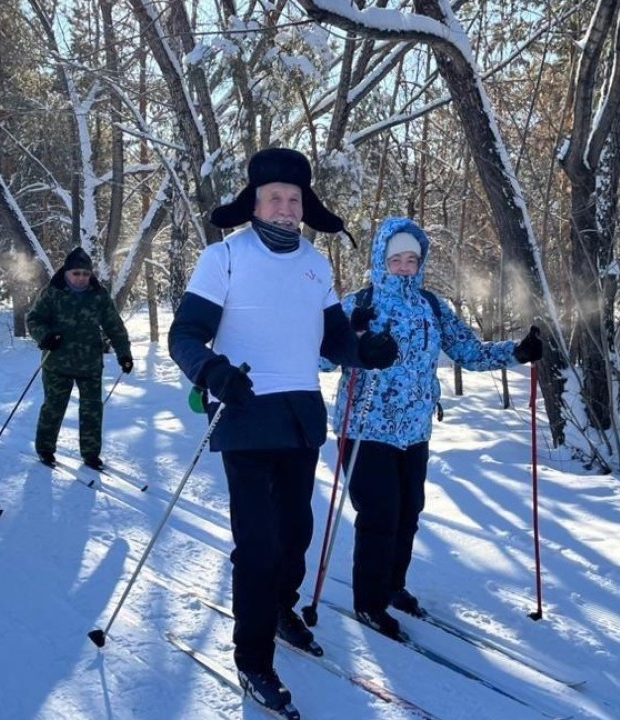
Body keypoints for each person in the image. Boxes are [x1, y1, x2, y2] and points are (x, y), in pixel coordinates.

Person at [168, 147, 398, 714]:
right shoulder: (223, 256)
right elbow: (185, 336)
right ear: (254, 203)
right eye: (275, 198)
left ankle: (279, 607)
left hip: (299, 417)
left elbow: (333, 340)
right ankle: (252, 657)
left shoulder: (316, 264)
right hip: (245, 414)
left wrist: (364, 351)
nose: (286, 208)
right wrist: (213, 371)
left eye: (294, 199)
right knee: (260, 544)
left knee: (297, 532)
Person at [329, 217, 543, 640]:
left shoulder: (432, 305)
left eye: (413, 259)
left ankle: (392, 586)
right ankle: (368, 602)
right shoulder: (359, 302)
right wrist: (353, 333)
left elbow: (468, 351)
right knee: (379, 516)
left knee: (409, 514)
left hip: (414, 429)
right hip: (365, 428)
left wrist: (516, 353)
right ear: (381, 260)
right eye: (397, 259)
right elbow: (320, 356)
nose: (406, 266)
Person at [27, 247, 133, 471]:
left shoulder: (98, 294)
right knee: (54, 407)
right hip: (57, 363)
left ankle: (91, 454)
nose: (81, 278)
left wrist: (124, 354)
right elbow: (34, 319)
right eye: (76, 273)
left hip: (90, 363)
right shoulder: (52, 292)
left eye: (85, 274)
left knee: (92, 411)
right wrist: (45, 337)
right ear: (66, 272)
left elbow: (114, 326)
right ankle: (45, 449)